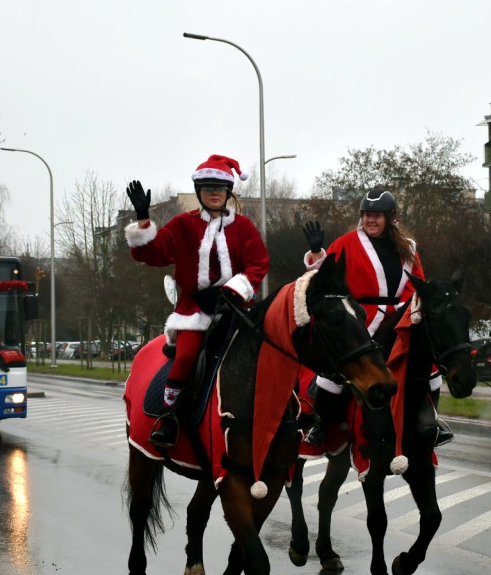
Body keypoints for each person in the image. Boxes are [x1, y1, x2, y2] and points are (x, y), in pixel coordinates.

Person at [124, 154, 270, 450]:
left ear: (228, 192)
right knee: (188, 355)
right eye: (207, 189)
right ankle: (168, 416)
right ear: (199, 193)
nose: (214, 194)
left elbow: (259, 263)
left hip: (235, 308)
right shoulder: (182, 225)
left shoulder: (243, 228)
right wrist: (143, 220)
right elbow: (153, 253)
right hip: (195, 310)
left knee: (269, 350)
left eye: (219, 188)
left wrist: (236, 288)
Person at [302, 187, 454, 447]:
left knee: (427, 366)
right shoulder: (347, 243)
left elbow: (417, 283)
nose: (371, 220)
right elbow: (326, 278)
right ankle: (322, 422)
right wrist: (317, 253)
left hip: (399, 318)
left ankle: (431, 422)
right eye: (367, 214)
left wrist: (411, 313)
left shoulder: (407, 249)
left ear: (391, 218)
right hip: (359, 318)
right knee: (338, 369)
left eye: (377, 215)